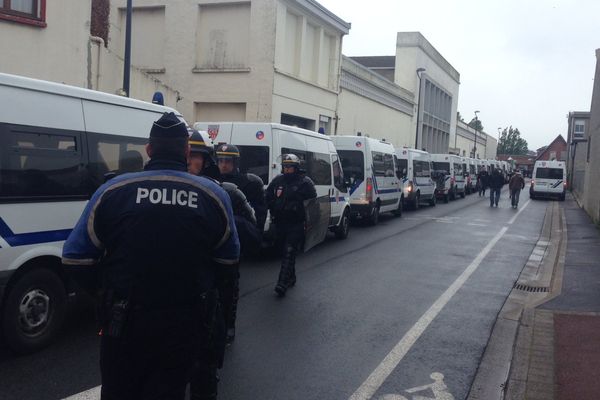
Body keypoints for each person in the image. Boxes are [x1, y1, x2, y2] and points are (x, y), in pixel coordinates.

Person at [61, 112, 240, 400]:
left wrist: (106, 291)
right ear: (185, 151)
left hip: (123, 324)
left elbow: (74, 258)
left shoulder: (112, 191)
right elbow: (228, 263)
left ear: (149, 150)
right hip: (184, 325)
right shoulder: (213, 196)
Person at [187, 130, 256, 399]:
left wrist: (222, 226)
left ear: (204, 160)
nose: (189, 162)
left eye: (194, 157)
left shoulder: (227, 191)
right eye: (187, 156)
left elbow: (252, 231)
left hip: (212, 279)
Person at [265, 154, 317, 297]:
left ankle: (282, 283)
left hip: (296, 223)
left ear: (296, 168)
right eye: (285, 167)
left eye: (290, 167)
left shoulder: (305, 183)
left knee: (289, 250)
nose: (287, 169)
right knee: (285, 251)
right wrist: (273, 206)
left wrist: (308, 222)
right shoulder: (278, 181)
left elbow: (313, 203)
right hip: (280, 222)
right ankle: (291, 277)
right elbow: (267, 196)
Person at [215, 143, 267, 239]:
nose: (223, 165)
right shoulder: (211, 180)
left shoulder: (249, 183)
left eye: (228, 161)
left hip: (240, 233)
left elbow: (258, 215)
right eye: (220, 161)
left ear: (235, 163)